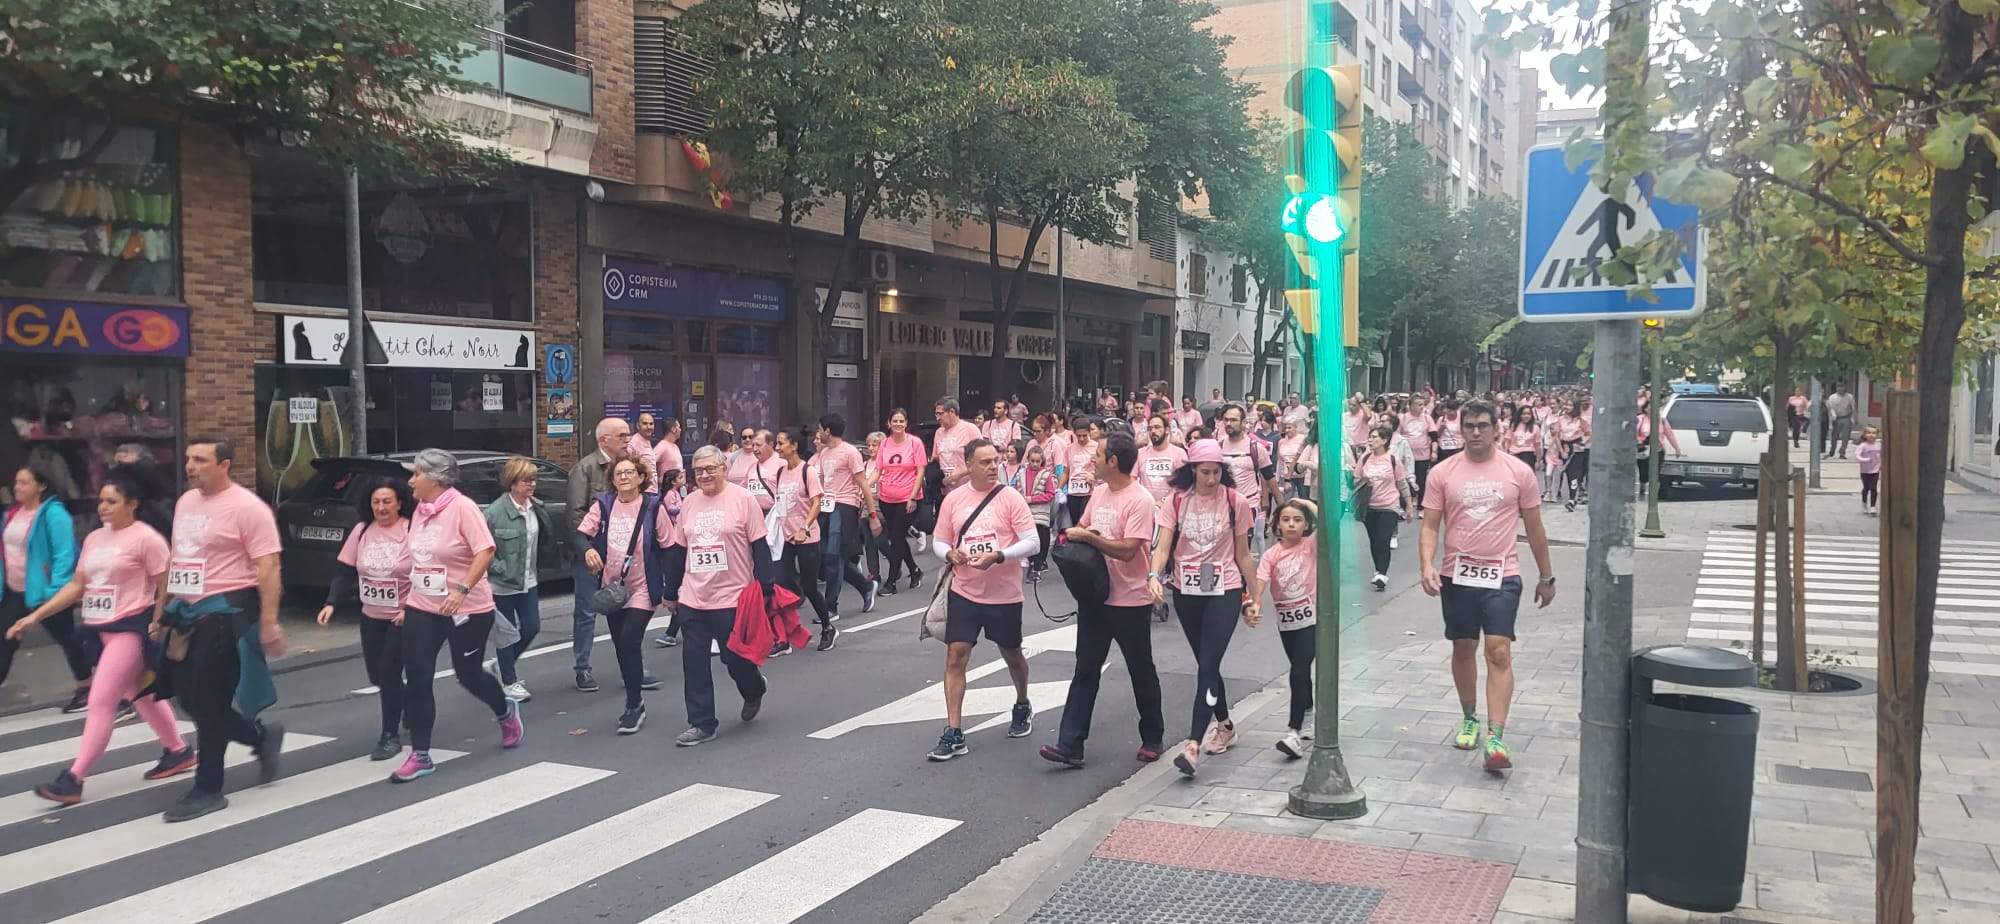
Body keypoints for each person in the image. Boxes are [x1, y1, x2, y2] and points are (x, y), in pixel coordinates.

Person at [12, 474, 191, 805]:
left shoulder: (146, 539)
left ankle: (73, 778)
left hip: (130, 629)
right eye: (102, 501)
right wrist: (36, 615)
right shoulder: (94, 538)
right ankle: (178, 751)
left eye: (112, 501)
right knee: (141, 696)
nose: (103, 507)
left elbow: (166, 583)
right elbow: (79, 584)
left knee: (100, 701)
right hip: (98, 629)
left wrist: (157, 622)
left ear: (132, 504)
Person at [1417, 400, 1556, 772]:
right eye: (1469, 426)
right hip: (1457, 574)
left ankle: (1496, 736)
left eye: (1482, 425)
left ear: (1497, 429)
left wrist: (1546, 576)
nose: (1475, 432)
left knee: (1498, 651)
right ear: (1459, 430)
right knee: (1463, 647)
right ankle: (1469, 717)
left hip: (1503, 573)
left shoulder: (1518, 471)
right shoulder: (1443, 472)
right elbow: (1430, 524)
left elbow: (1535, 527)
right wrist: (1427, 564)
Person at [153, 437, 287, 820]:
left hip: (228, 611)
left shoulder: (248, 508)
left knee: (209, 698)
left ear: (224, 464)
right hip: (187, 611)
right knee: (187, 698)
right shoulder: (186, 502)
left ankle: (208, 786)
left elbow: (268, 567)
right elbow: (179, 557)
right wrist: (161, 609)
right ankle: (260, 737)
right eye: (189, 459)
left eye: (200, 460)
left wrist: (269, 622)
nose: (190, 466)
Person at [391, 449, 523, 783]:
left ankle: (505, 711)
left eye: (416, 474)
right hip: (423, 605)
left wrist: (461, 589)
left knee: (467, 674)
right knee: (418, 676)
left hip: (466, 608)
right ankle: (420, 754)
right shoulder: (420, 510)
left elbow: (486, 550)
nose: (410, 481)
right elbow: (418, 559)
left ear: (435, 479)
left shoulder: (463, 508)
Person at [1039, 431, 1164, 768]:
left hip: (1130, 599)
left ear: (1113, 462)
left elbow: (1127, 550)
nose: (1092, 460)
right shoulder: (1098, 493)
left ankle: (1152, 736)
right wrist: (1082, 536)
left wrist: (1091, 538)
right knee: (1085, 669)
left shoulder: (1140, 500)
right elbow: (1082, 527)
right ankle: (1070, 745)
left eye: (1098, 455)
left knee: (1140, 668)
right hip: (1095, 597)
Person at [1148, 440, 1258, 778]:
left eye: (1217, 472)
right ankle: (1225, 724)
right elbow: (1163, 544)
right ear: (1192, 470)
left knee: (1208, 664)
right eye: (1205, 472)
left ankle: (1193, 745)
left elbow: (1243, 554)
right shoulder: (1177, 501)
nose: (1212, 479)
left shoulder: (1235, 502)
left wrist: (1254, 597)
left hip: (1225, 588)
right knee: (1205, 665)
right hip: (1186, 589)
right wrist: (1154, 575)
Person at [927, 438, 1040, 761]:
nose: (993, 467)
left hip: (1004, 595)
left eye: (996, 460)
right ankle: (954, 731)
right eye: (985, 462)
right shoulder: (955, 501)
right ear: (970, 466)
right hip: (965, 590)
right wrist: (949, 552)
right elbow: (939, 539)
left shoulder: (1010, 498)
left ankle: (1021, 702)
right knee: (956, 655)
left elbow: (1031, 542)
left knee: (1012, 654)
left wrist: (1000, 555)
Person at [660, 445, 775, 747]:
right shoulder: (690, 503)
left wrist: (765, 588)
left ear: (724, 468)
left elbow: (760, 547)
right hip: (694, 596)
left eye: (711, 468)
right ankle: (702, 723)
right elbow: (678, 550)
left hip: (732, 597)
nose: (705, 475)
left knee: (734, 658)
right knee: (694, 662)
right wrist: (670, 592)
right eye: (699, 471)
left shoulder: (743, 500)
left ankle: (753, 689)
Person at [317, 477, 414, 760]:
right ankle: (406, 700)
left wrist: (410, 608)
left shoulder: (411, 530)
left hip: (402, 617)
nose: (381, 508)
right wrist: (331, 603)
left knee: (388, 672)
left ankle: (389, 736)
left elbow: (425, 572)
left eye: (386, 501)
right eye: (375, 502)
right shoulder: (361, 531)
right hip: (371, 615)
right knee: (377, 675)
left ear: (399, 503)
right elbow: (344, 570)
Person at [575, 456, 668, 735]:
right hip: (612, 588)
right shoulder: (604, 505)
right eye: (619, 474)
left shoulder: (653, 507)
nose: (624, 477)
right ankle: (635, 700)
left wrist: (673, 588)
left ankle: (632, 704)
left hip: (642, 586)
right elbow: (580, 534)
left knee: (629, 639)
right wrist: (587, 550)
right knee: (621, 645)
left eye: (630, 473)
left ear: (641, 478)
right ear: (613, 480)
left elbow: (671, 545)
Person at [572, 418, 658, 690]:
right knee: (588, 612)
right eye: (621, 435)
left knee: (630, 632)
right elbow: (575, 516)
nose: (627, 438)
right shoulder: (584, 468)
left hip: (636, 568)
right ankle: (583, 668)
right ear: (603, 440)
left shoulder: (634, 467)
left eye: (627, 434)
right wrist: (587, 550)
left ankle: (633, 674)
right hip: (596, 560)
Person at [0, 464, 92, 711]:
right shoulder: (11, 513)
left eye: (24, 482)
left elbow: (64, 554)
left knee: (67, 639)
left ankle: (86, 685)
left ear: (40, 486)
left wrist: (57, 590)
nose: (17, 487)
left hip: (45, 591)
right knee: (4, 639)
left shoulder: (53, 514)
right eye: (17, 482)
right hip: (15, 590)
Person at [486, 457, 554, 704]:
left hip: (528, 579)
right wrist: (499, 568)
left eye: (534, 480)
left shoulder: (535, 507)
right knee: (506, 632)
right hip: (502, 584)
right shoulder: (495, 512)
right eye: (526, 480)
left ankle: (503, 665)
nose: (532, 485)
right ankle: (508, 680)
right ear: (512, 483)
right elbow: (481, 549)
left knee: (532, 626)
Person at [1257, 498, 1319, 759]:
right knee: (1299, 669)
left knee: (1299, 669)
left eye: (1297, 519)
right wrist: (1254, 602)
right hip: (1287, 621)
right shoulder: (1272, 554)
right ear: (1277, 525)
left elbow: (1326, 520)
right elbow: (1260, 579)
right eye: (1286, 519)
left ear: (1306, 524)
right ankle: (1307, 713)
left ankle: (1293, 732)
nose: (1291, 524)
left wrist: (1304, 502)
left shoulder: (1310, 547)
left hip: (1312, 620)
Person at [773, 428, 835, 648]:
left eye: (781, 443)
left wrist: (804, 527)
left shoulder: (806, 471)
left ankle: (828, 627)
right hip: (786, 538)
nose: (777, 448)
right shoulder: (780, 472)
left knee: (809, 587)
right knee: (780, 584)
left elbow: (817, 502)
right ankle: (785, 636)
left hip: (806, 538)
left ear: (794, 445)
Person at [814, 414, 879, 620]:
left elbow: (863, 484)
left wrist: (873, 514)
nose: (819, 433)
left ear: (828, 431)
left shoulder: (850, 452)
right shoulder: (823, 454)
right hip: (826, 506)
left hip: (844, 505)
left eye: (820, 429)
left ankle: (830, 606)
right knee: (829, 555)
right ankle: (866, 586)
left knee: (834, 555)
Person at [1353, 425, 1413, 590]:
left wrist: (1408, 505)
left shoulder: (1393, 460)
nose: (1370, 440)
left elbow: (1402, 483)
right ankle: (1378, 570)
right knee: (1374, 541)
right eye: (1370, 437)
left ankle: (1382, 573)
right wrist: (1365, 482)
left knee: (1384, 539)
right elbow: (1355, 479)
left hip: (1389, 505)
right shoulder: (1365, 459)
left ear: (1384, 440)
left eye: (1374, 437)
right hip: (1369, 506)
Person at [875, 410, 927, 592]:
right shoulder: (884, 444)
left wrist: (913, 496)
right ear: (889, 423)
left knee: (897, 538)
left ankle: (891, 582)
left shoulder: (915, 443)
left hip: (908, 499)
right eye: (894, 421)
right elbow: (878, 470)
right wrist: (864, 485)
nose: (898, 424)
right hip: (886, 498)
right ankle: (914, 570)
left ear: (906, 423)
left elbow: (920, 471)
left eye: (901, 421)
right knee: (897, 537)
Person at [1214, 405, 1279, 545]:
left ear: (1243, 423)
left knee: (1242, 548)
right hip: (1223, 506)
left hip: (1248, 505)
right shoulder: (1217, 447)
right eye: (1226, 420)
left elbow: (1270, 478)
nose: (1229, 424)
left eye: (1233, 420)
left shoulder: (1256, 448)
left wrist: (1281, 508)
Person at [1021, 443, 1059, 580]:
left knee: (1041, 539)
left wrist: (1032, 499)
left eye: (1038, 461)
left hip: (1041, 513)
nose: (1035, 464)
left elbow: (1050, 494)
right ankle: (1033, 563)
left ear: (1042, 461)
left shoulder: (1046, 475)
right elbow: (1017, 489)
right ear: (1028, 460)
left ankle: (1037, 565)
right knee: (1029, 539)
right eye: (1032, 461)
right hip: (1026, 512)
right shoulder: (1022, 473)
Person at [1135, 415, 1189, 503]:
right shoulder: (1140, 453)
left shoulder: (1179, 453)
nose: (1153, 431)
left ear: (1167, 430)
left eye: (1157, 427)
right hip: (1145, 505)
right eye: (1150, 428)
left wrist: (1164, 501)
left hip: (1171, 505)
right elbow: (1132, 480)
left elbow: (1183, 482)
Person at [933, 398, 983, 493]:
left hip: (970, 489)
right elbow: (937, 458)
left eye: (940, 414)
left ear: (952, 412)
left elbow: (982, 457)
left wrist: (961, 473)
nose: (937, 418)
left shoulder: (970, 429)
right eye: (936, 414)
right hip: (947, 491)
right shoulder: (938, 432)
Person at [1062, 416, 1102, 526]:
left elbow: (1103, 468)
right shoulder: (1069, 448)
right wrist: (1058, 489)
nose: (1082, 439)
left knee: (1086, 523)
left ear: (1089, 432)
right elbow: (1066, 471)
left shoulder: (1097, 447)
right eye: (1079, 436)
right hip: (1073, 492)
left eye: (1085, 435)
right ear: (1074, 433)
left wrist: (1094, 475)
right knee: (1074, 522)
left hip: (1090, 492)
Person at [1559, 397, 1593, 511]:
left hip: (1577, 450)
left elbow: (1589, 433)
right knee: (1568, 474)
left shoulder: (1581, 421)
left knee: (1575, 473)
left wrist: (1582, 443)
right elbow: (1556, 436)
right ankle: (1575, 494)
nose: (1567, 408)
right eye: (1566, 405)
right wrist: (1561, 450)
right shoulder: (1561, 419)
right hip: (1565, 447)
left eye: (1570, 405)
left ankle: (1572, 499)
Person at [652, 417, 685, 491]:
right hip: (667, 490)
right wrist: (659, 480)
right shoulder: (662, 446)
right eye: (679, 427)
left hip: (678, 489)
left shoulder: (675, 446)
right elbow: (650, 463)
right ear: (673, 429)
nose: (680, 430)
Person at [628, 411, 660, 487]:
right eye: (645, 424)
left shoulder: (647, 441)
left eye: (651, 424)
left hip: (653, 489)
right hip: (643, 490)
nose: (649, 427)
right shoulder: (633, 443)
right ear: (638, 426)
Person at [1826, 384, 1857, 458]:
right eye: (1838, 387)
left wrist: (1853, 418)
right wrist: (1833, 417)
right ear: (1836, 388)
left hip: (1846, 418)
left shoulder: (1849, 397)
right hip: (1836, 419)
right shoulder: (1832, 397)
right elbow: (1831, 409)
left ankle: (1842, 452)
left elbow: (1853, 408)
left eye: (1842, 387)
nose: (1840, 388)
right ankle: (1832, 450)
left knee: (1845, 437)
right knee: (1834, 436)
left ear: (1844, 387)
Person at [1856, 426, 1882, 515]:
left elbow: (1882, 455)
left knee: (1873, 488)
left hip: (1875, 470)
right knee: (1866, 488)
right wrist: (1865, 460)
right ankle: (1864, 503)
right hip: (1864, 471)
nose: (1871, 435)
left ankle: (1873, 506)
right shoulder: (1863, 445)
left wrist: (1881, 464)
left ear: (1877, 435)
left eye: (1874, 433)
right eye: (1869, 433)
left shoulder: (1878, 445)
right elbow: (1857, 456)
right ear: (1865, 434)